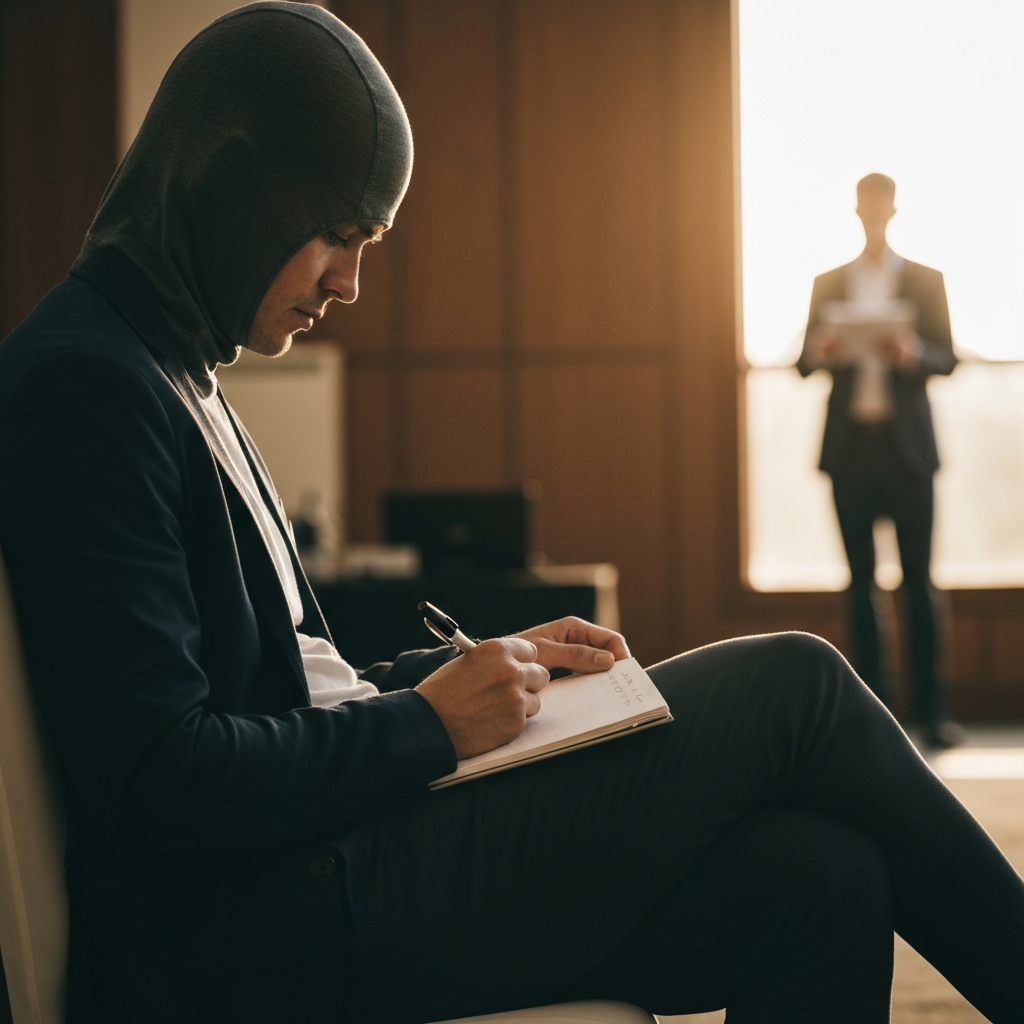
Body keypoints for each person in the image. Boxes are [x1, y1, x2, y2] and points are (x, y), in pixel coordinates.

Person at [0, 8, 1020, 1023]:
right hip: (275, 923)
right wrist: (429, 724)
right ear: (239, 185)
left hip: (329, 864)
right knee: (795, 682)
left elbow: (286, 686)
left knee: (819, 875)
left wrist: (470, 674)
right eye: (338, 236)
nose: (350, 283)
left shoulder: (173, 367)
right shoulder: (87, 383)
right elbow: (157, 778)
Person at [797, 173, 960, 749]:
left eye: (879, 204)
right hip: (850, 451)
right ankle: (875, 718)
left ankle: (934, 715)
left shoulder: (924, 279)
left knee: (919, 583)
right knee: (859, 585)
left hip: (908, 452)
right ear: (856, 209)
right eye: (864, 205)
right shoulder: (829, 283)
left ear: (892, 208)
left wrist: (910, 352)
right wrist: (822, 348)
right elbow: (801, 362)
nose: (872, 213)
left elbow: (948, 359)